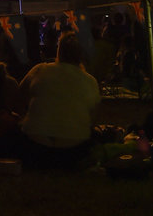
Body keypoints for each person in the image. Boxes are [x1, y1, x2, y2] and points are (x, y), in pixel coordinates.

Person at [13, 32, 100, 169]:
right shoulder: (90, 81)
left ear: (58, 50)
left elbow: (19, 94)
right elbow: (92, 118)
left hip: (35, 146)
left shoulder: (40, 69)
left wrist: (26, 114)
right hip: (73, 150)